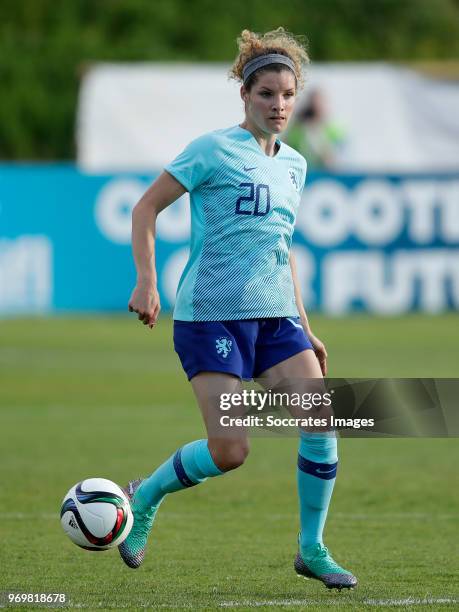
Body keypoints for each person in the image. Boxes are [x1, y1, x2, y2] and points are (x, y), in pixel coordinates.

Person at [119, 27, 357, 591]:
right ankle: (145, 496)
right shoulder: (211, 150)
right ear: (245, 96)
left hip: (276, 319)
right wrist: (147, 282)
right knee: (232, 450)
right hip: (211, 316)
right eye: (266, 94)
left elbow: (283, 248)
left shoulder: (296, 165)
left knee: (322, 422)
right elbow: (145, 209)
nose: (278, 105)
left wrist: (306, 326)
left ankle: (312, 548)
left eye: (287, 96)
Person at [285, 88, 347, 170]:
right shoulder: (298, 129)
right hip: (304, 172)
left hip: (326, 174)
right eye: (314, 104)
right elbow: (286, 150)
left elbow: (340, 156)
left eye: (321, 103)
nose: (317, 108)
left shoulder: (333, 130)